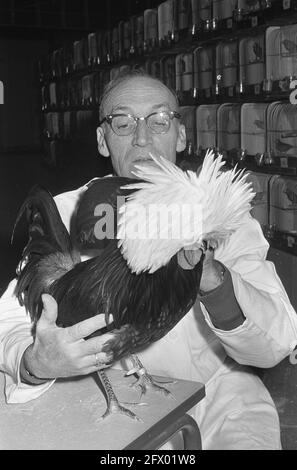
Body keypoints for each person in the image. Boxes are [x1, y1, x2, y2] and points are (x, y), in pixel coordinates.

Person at [1, 69, 297, 450]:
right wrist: (36, 361)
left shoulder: (220, 215)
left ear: (182, 134)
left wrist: (211, 274)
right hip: (105, 399)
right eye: (122, 123)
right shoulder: (71, 212)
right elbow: (8, 322)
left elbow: (276, 342)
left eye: (159, 120)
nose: (142, 137)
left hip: (217, 395)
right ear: (103, 141)